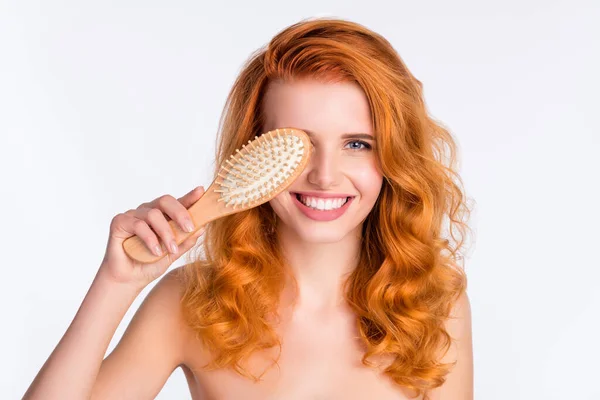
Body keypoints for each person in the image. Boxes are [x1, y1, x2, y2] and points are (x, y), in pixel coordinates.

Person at [24, 17, 473, 400]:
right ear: (251, 153)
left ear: (394, 158)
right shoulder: (192, 303)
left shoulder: (433, 303)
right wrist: (115, 283)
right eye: (298, 145)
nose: (324, 175)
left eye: (357, 144)